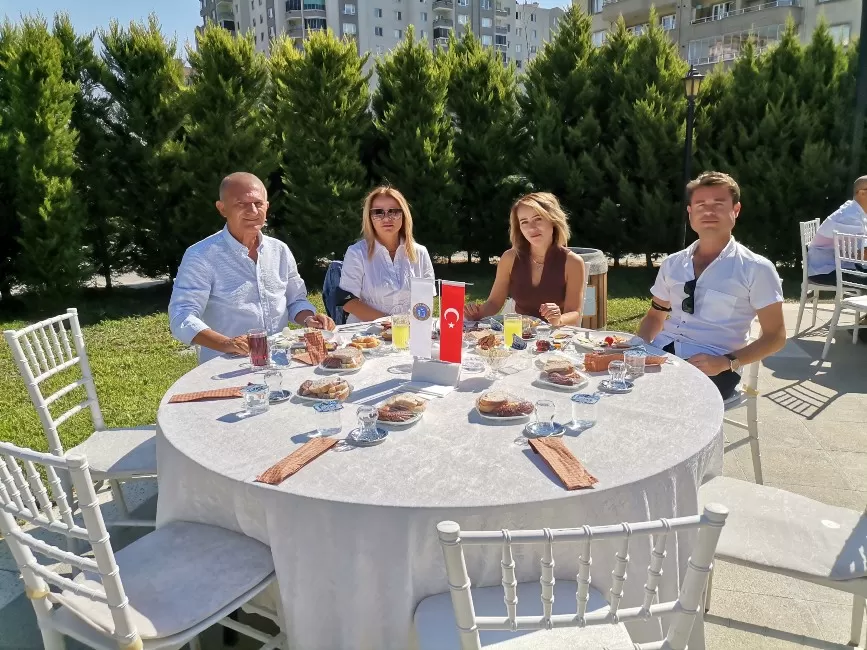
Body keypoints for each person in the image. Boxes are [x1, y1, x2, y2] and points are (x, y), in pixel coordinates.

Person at [634, 171, 786, 400]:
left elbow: (775, 337)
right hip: (663, 356)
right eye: (701, 204)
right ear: (690, 212)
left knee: (657, 401)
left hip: (716, 367)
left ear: (736, 210)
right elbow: (655, 316)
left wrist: (727, 362)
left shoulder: (756, 268)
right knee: (608, 383)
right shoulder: (672, 264)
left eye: (718, 204)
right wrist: (637, 349)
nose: (708, 211)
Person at [169, 172, 334, 364]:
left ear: (267, 206)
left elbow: (295, 300)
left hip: (279, 360)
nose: (253, 211)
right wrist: (228, 343)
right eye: (241, 204)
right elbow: (182, 316)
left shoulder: (279, 250)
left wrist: (308, 319)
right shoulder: (201, 256)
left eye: (258, 203)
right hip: (226, 365)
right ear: (222, 208)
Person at [464, 192, 586, 326]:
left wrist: (558, 319)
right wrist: (477, 313)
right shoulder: (509, 258)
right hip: (519, 333)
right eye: (524, 222)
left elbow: (574, 312)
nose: (531, 228)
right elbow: (494, 302)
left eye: (538, 219)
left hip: (556, 334)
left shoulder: (573, 262)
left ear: (553, 220)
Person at [338, 186, 435, 323]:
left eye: (393, 211)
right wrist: (391, 323)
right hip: (365, 332)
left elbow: (425, 301)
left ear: (404, 214)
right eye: (378, 212)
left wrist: (417, 328)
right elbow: (348, 302)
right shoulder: (356, 252)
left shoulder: (420, 252)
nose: (387, 218)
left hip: (409, 331)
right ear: (369, 217)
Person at [806, 175, 867, 285]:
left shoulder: (854, 210)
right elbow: (861, 255)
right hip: (825, 271)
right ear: (862, 193)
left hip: (838, 265)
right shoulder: (850, 217)